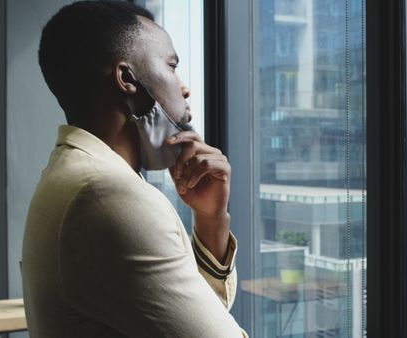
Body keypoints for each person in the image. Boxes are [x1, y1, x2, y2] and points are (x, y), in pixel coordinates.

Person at [21, 2, 247, 337]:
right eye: (171, 67)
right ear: (127, 78)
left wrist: (211, 219)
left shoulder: (71, 174)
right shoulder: (107, 195)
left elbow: (191, 314)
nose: (184, 88)